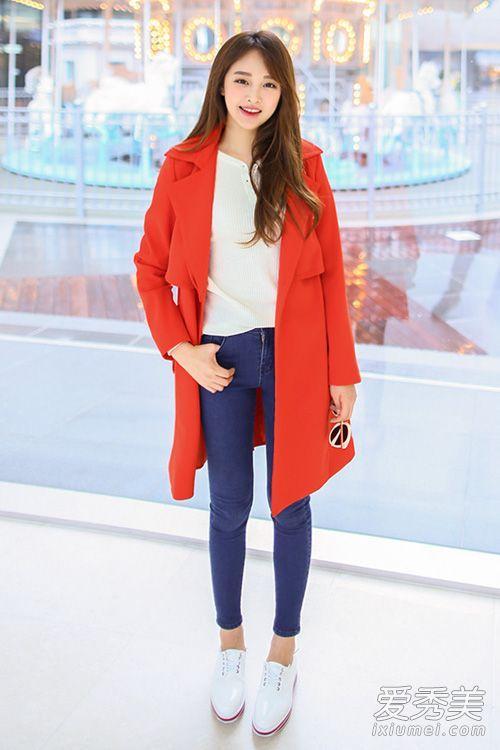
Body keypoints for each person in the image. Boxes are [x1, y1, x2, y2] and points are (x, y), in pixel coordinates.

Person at [134, 30, 360, 737]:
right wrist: (182, 351)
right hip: (220, 359)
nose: (254, 95)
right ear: (220, 86)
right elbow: (149, 270)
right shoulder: (184, 166)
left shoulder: (305, 165)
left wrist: (344, 373)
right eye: (241, 80)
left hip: (297, 357)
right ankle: (230, 646)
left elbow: (331, 278)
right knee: (228, 505)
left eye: (268, 83)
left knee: (291, 504)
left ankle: (282, 655)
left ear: (284, 92)